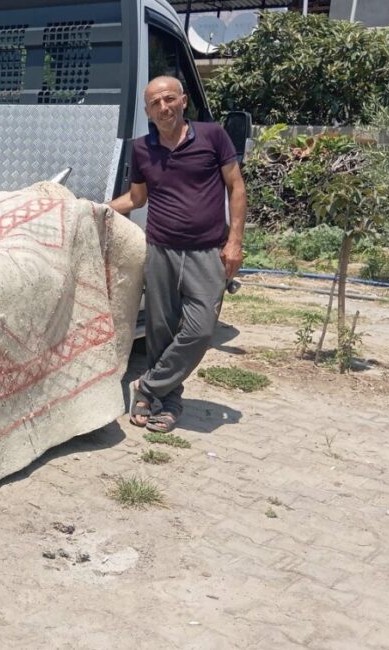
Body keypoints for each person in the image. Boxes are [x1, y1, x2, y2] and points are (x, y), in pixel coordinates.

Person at [108, 75, 247, 433]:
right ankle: (164, 403)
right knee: (160, 331)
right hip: (161, 250)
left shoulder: (213, 135)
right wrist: (97, 209)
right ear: (147, 111)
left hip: (206, 252)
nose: (164, 107)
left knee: (200, 331)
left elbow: (236, 186)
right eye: (155, 104)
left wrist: (234, 241)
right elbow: (137, 199)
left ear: (183, 100)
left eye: (169, 99)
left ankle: (149, 385)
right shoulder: (142, 149)